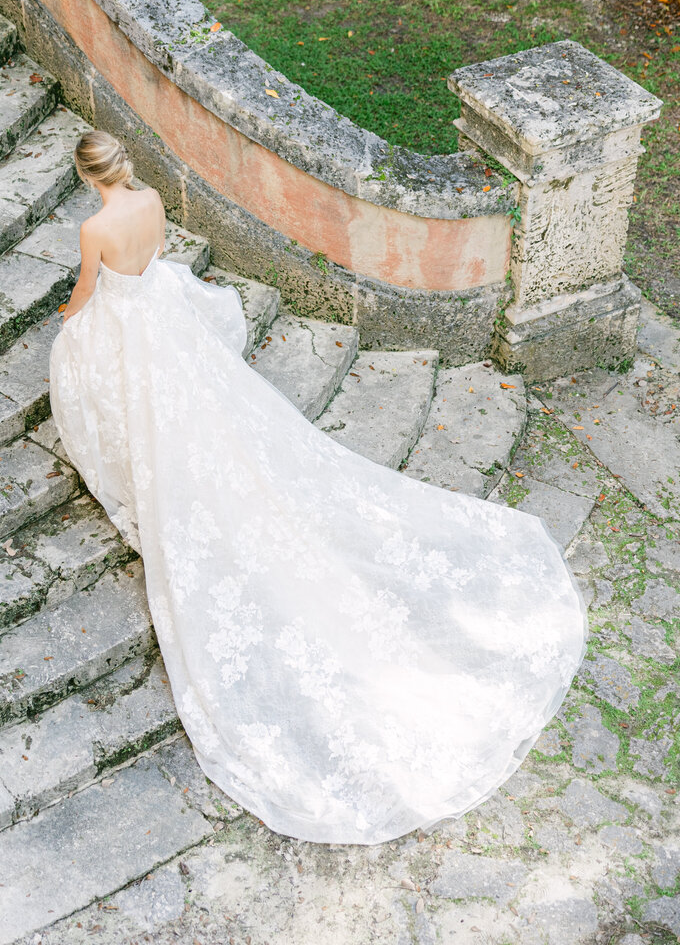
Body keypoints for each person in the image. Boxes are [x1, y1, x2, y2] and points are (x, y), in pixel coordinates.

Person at [49, 129, 588, 846]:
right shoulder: (148, 201)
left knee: (125, 400)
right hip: (162, 318)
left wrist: (66, 323)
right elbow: (154, 260)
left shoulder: (94, 228)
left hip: (132, 328)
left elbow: (87, 293)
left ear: (88, 176)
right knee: (204, 417)